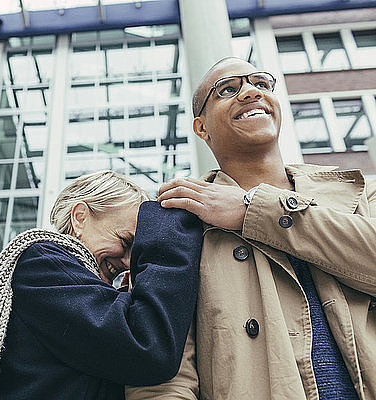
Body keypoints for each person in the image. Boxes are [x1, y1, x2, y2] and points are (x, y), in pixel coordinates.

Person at [126, 57, 376, 400]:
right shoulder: (176, 223)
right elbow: (164, 376)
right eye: (227, 89)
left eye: (261, 83)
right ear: (201, 128)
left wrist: (252, 210)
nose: (249, 92)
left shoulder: (359, 190)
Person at [0, 170, 203, 400]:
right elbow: (147, 345)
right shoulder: (42, 264)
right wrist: (168, 236)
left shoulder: (78, 287)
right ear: (80, 218)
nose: (130, 262)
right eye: (126, 241)